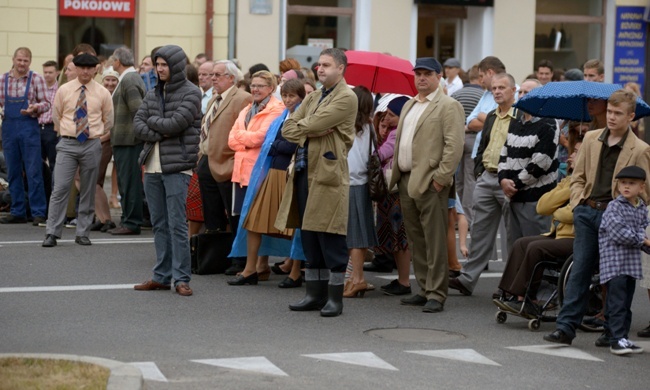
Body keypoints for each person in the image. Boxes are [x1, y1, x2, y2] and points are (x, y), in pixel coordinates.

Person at [544, 89, 650, 346]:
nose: (612, 118)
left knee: (615, 277)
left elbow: (644, 191)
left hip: (617, 217)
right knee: (580, 270)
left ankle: (612, 332)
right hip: (588, 211)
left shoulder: (640, 148)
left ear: (631, 117)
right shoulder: (591, 138)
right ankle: (566, 327)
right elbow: (578, 176)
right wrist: (579, 202)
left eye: (618, 114)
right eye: (610, 112)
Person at [275, 48, 358, 317]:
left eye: (326, 65)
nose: (320, 69)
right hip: (304, 170)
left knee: (330, 235)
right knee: (309, 234)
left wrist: (308, 126)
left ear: (341, 68)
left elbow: (310, 124)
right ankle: (314, 293)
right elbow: (288, 127)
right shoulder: (314, 96)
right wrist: (310, 128)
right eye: (319, 65)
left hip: (328, 173)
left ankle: (334, 298)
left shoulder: (346, 97)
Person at [389, 57, 464, 313]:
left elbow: (454, 147)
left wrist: (441, 179)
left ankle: (436, 293)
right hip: (407, 178)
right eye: (418, 73)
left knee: (434, 239)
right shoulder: (410, 104)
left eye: (427, 74)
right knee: (416, 238)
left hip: (431, 181)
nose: (421, 78)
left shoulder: (448, 105)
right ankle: (423, 288)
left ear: (438, 76)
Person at [133, 44, 201, 297]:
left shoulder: (192, 92)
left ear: (176, 66)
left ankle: (181, 278)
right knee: (159, 224)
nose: (159, 69)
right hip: (152, 165)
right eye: (157, 64)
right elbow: (137, 125)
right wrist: (160, 127)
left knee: (177, 225)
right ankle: (161, 276)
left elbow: (176, 124)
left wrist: (155, 124)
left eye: (164, 65)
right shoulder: (153, 93)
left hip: (178, 167)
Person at [228, 78, 306, 288]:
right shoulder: (282, 116)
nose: (289, 100)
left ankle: (296, 272)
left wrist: (276, 144)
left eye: (293, 96)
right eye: (286, 96)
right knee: (255, 222)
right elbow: (274, 144)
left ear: (302, 98)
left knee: (295, 229)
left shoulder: (301, 116)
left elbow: (290, 144)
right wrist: (276, 144)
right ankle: (250, 269)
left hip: (291, 176)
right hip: (273, 173)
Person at [448, 72, 519, 297]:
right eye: (494, 88)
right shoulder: (491, 116)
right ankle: (467, 280)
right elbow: (483, 143)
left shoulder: (520, 116)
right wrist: (479, 169)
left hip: (509, 180)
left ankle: (510, 285)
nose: (496, 92)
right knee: (479, 230)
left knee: (511, 235)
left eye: (502, 88)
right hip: (487, 176)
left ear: (513, 91)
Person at [495, 138, 582, 315]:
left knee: (536, 248)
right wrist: (569, 187)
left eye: (576, 152)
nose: (571, 155)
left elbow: (572, 213)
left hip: (576, 238)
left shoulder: (587, 182)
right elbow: (543, 207)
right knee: (521, 243)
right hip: (558, 234)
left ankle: (527, 298)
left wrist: (559, 209)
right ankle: (509, 292)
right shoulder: (569, 181)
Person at [41, 53, 114, 247]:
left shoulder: (102, 93)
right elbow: (56, 116)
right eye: (81, 67)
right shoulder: (64, 90)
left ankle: (82, 232)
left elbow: (109, 121)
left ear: (95, 69)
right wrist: (68, 132)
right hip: (67, 143)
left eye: (89, 68)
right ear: (75, 68)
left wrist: (95, 135)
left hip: (91, 143)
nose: (85, 71)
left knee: (89, 189)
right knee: (60, 188)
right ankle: (52, 232)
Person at [226, 70, 285, 285]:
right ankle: (257, 266)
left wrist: (243, 139)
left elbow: (262, 138)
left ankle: (256, 266)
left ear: (271, 88)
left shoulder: (276, 110)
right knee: (246, 219)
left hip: (260, 171)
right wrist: (246, 140)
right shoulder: (247, 108)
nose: (255, 89)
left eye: (260, 86)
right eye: (253, 85)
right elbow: (231, 139)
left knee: (256, 220)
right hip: (241, 171)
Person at [196, 60, 252, 275]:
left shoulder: (241, 98)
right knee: (212, 215)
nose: (213, 79)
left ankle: (239, 259)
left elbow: (244, 131)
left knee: (233, 213)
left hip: (228, 163)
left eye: (218, 75)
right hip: (207, 161)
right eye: (212, 75)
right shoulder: (213, 99)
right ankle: (217, 257)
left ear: (231, 78)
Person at [498, 77, 558, 244]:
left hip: (534, 199)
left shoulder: (548, 123)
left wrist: (514, 185)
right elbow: (504, 152)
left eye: (527, 92)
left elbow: (541, 162)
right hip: (513, 196)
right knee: (514, 251)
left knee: (533, 249)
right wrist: (503, 179)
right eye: (520, 92)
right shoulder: (517, 121)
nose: (522, 96)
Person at [598, 165, 649, 355]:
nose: (626, 187)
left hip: (631, 264)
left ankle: (622, 338)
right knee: (617, 303)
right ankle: (616, 340)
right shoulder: (614, 207)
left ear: (641, 187)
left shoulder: (641, 208)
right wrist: (644, 240)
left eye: (632, 183)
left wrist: (645, 243)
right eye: (623, 183)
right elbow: (620, 234)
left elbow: (642, 232)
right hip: (615, 264)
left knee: (626, 304)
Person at [0, 47, 50, 225]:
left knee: (33, 171)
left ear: (30, 62)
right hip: (8, 129)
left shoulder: (36, 79)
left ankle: (38, 212)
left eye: (25, 61)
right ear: (13, 59)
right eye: (19, 60)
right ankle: (17, 211)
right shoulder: (3, 80)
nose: (22, 64)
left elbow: (47, 103)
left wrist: (35, 108)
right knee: (13, 172)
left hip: (29, 128)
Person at [369, 97, 412, 295]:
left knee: (399, 238)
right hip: (392, 190)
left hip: (394, 190)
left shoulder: (397, 134)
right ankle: (402, 280)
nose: (388, 117)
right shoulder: (397, 131)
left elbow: (380, 155)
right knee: (396, 239)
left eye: (392, 115)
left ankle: (404, 281)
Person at [343, 86, 379, 298]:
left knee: (355, 235)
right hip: (363, 182)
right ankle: (355, 277)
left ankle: (357, 279)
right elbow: (372, 154)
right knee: (361, 233)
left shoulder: (346, 125)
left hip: (350, 183)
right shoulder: (368, 126)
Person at [109, 47, 147, 236]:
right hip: (125, 140)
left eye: (113, 59)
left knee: (130, 183)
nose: (111, 62)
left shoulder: (130, 79)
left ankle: (131, 222)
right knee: (126, 182)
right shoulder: (128, 78)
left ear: (118, 61)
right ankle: (128, 220)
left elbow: (138, 111)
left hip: (130, 141)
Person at [451, 64, 484, 226]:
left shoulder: (456, 94)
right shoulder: (483, 96)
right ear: (479, 78)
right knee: (471, 178)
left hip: (457, 137)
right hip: (473, 138)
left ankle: (457, 216)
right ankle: (469, 218)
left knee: (458, 179)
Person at [89, 69, 120, 233]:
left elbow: (113, 125)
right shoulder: (100, 95)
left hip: (105, 141)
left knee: (96, 179)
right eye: (107, 80)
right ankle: (99, 216)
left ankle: (105, 218)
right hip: (95, 140)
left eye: (113, 80)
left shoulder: (117, 98)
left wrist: (100, 138)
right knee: (88, 179)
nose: (110, 83)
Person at [39, 60, 59, 179]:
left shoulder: (60, 89)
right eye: (45, 72)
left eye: (50, 72)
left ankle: (53, 194)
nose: (47, 75)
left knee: (54, 163)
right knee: (38, 163)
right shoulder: (39, 89)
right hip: (37, 129)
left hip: (52, 129)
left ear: (57, 73)